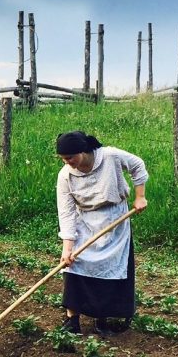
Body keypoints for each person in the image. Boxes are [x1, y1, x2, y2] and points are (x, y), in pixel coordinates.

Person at [55, 130, 148, 335]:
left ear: (83, 150)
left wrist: (140, 196)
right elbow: (67, 213)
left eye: (70, 157)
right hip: (84, 222)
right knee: (74, 266)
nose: (67, 162)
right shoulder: (65, 176)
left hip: (115, 220)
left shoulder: (110, 156)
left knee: (109, 269)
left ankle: (102, 319)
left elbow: (137, 165)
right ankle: (72, 320)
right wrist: (67, 248)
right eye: (63, 159)